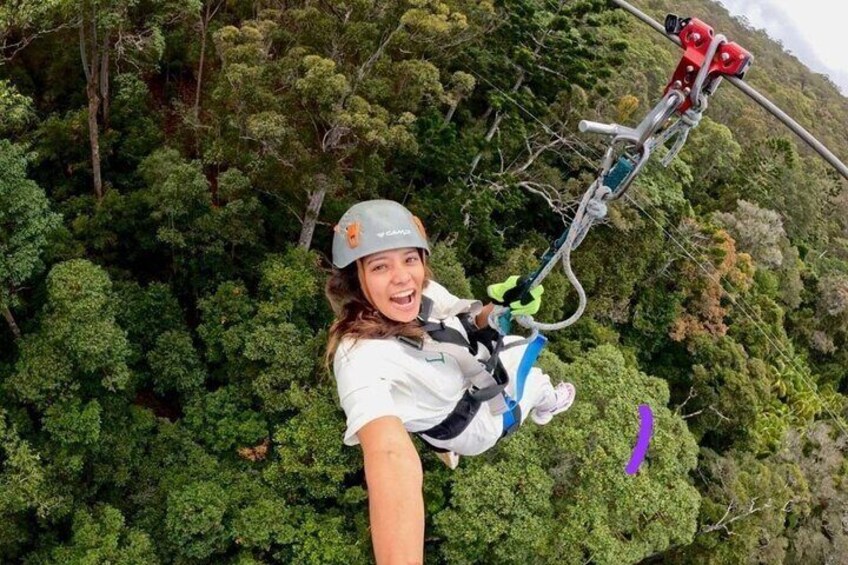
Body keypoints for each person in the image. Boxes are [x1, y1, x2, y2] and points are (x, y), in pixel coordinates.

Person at [325, 199, 575, 564]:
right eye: (380, 266)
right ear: (355, 280)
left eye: (410, 259)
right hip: (472, 423)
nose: (402, 277)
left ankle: (442, 442)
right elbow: (390, 457)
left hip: (461, 379)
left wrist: (499, 306)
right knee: (534, 374)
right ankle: (546, 405)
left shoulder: (422, 294)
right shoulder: (359, 358)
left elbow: (462, 324)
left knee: (514, 343)